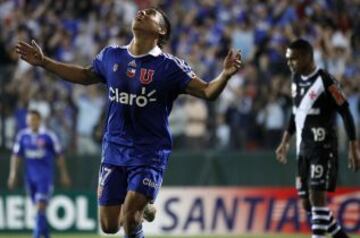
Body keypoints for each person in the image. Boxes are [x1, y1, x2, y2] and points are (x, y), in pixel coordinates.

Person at [15, 7, 242, 238]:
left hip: (149, 152)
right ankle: (143, 206)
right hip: (114, 148)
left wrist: (224, 75)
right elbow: (84, 75)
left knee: (130, 220)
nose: (142, 12)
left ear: (161, 30)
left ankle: (138, 209)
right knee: (109, 226)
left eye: (151, 13)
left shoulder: (170, 67)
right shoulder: (111, 55)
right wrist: (44, 62)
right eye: (141, 11)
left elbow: (207, 92)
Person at [275, 39, 360, 238]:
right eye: (288, 60)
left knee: (317, 197)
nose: (289, 64)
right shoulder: (295, 80)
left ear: (306, 57)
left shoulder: (326, 80)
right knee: (307, 203)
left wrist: (353, 146)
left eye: (293, 59)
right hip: (303, 148)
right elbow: (297, 113)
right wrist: (285, 140)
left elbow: (345, 112)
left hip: (323, 147)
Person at [7, 109, 71, 238]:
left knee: (40, 207)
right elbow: (16, 156)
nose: (32, 122)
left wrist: (64, 174)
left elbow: (59, 156)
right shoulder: (22, 136)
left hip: (45, 178)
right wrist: (13, 174)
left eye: (35, 120)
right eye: (30, 120)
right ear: (27, 121)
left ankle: (35, 236)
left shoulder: (48, 136)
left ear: (39, 121)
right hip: (30, 178)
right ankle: (46, 235)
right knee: (38, 211)